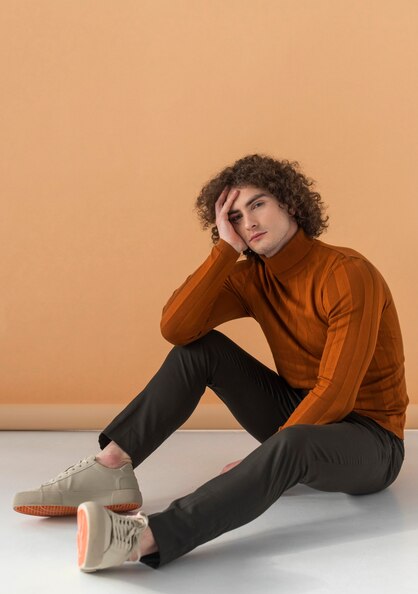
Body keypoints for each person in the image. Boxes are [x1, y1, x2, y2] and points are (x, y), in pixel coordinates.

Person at [13, 154, 408, 573]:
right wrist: (224, 250)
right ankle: (112, 468)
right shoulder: (253, 278)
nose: (248, 222)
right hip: (298, 414)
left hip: (370, 440)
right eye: (234, 216)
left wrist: (269, 452)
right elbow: (177, 327)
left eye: (258, 204)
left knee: (292, 443)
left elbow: (337, 393)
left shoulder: (347, 274)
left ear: (291, 204)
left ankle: (143, 539)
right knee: (200, 350)